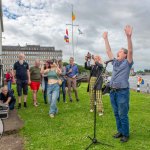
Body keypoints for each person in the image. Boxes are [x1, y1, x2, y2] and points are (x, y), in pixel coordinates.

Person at [102, 25, 133, 142]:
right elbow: (108, 51)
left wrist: (128, 37)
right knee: (116, 113)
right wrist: (105, 39)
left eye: (120, 51)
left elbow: (130, 51)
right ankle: (120, 131)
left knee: (122, 114)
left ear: (125, 55)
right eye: (118, 51)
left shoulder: (128, 63)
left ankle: (126, 134)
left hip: (122, 93)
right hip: (113, 92)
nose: (118, 52)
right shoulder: (114, 62)